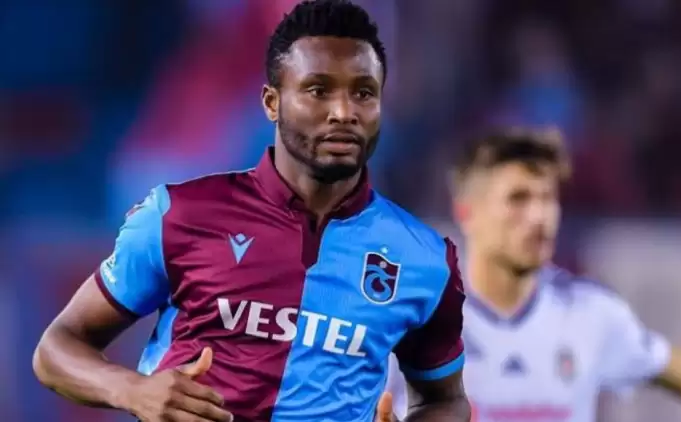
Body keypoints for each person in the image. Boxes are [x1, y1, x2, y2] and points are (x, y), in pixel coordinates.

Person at [31, 1, 470, 421]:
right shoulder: (180, 215)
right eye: (318, 90)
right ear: (271, 103)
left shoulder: (425, 258)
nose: (343, 112)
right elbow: (56, 348)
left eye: (363, 93)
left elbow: (446, 401)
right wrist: (132, 390)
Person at [383, 128, 681, 421]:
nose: (539, 217)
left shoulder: (588, 314)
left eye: (547, 198)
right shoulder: (409, 318)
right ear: (467, 212)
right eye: (518, 199)